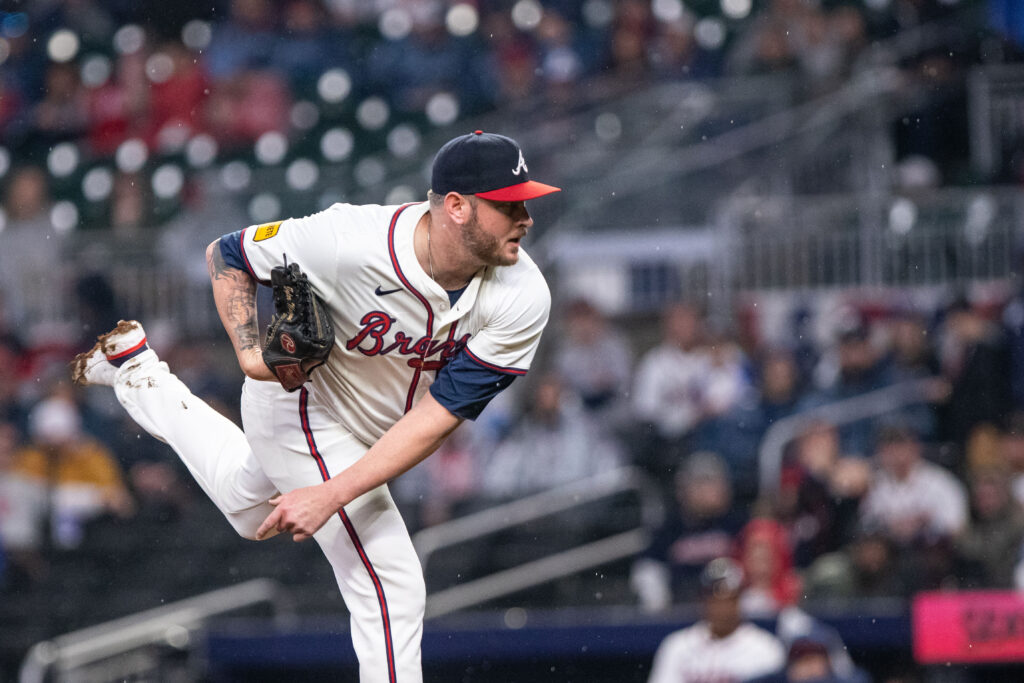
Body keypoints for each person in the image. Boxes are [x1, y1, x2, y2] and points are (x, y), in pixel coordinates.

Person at [72, 130, 559, 683]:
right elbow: (228, 254)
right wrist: (253, 356)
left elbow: (435, 419)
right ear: (456, 207)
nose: (526, 217)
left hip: (368, 434)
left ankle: (137, 372)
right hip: (302, 403)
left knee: (246, 507)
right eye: (508, 204)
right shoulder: (347, 239)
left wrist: (330, 493)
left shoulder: (522, 296)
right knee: (391, 580)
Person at [647, 557, 786, 683]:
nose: (721, 606)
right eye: (714, 598)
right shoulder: (677, 646)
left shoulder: (765, 648)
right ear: (703, 600)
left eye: (727, 598)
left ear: (738, 599)